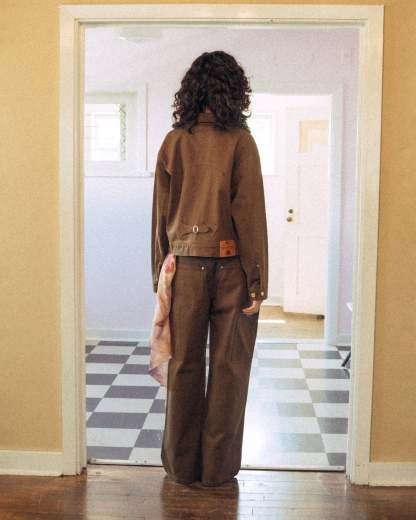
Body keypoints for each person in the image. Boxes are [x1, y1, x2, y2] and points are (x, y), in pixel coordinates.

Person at [151, 50, 268, 487]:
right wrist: (257, 281)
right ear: (235, 91)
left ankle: (182, 466)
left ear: (191, 90)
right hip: (232, 267)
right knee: (229, 366)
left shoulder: (174, 141)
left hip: (182, 267)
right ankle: (217, 468)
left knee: (183, 365)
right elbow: (249, 214)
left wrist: (158, 275)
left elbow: (160, 215)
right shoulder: (241, 141)